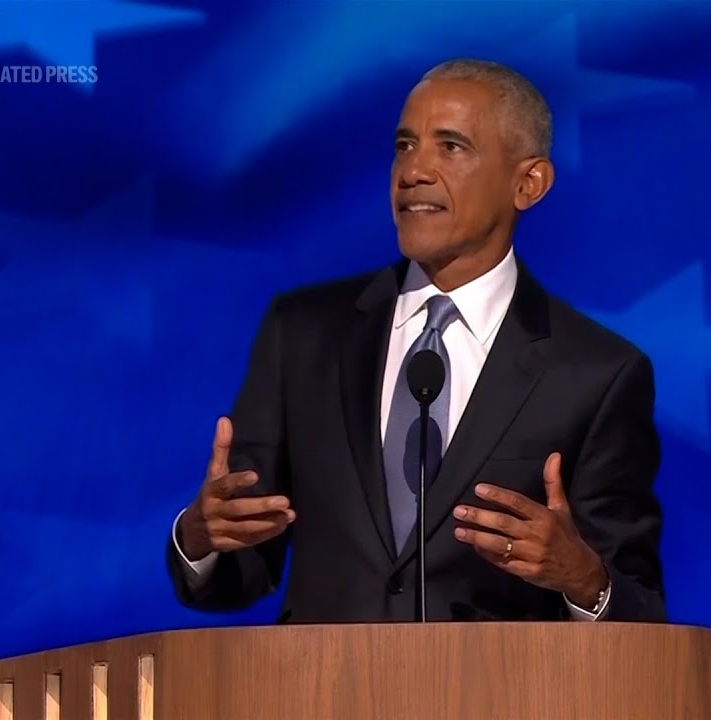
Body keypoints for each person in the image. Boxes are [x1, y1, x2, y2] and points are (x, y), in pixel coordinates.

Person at [166, 58, 665, 623]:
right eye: (405, 146)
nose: (414, 171)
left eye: (450, 147)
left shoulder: (596, 373)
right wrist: (201, 537)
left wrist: (582, 577)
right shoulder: (302, 334)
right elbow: (240, 566)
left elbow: (638, 613)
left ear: (528, 184)